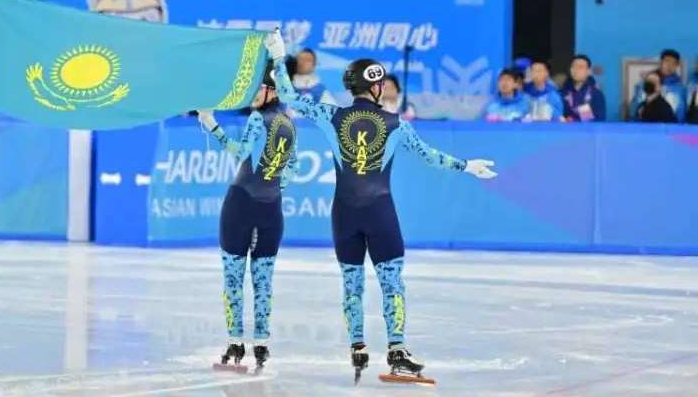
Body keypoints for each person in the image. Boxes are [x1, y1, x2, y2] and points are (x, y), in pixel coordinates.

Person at [267, 32, 497, 384]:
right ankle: (397, 350)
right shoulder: (396, 124)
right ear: (375, 87)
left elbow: (287, 96)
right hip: (380, 213)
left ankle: (357, 345)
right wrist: (467, 166)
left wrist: (279, 58)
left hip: (343, 214)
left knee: (352, 284)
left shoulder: (330, 114)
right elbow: (430, 157)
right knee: (392, 284)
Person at [196, 61, 300, 372]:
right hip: (271, 208)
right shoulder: (289, 123)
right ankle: (262, 343)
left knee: (233, 276)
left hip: (240, 204)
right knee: (263, 279)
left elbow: (242, 153)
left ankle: (235, 342)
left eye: (258, 89)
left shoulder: (258, 118)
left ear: (271, 90)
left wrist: (211, 125)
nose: (253, 94)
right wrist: (270, 186)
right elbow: (291, 169)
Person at [632, 49, 687, 122]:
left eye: (674, 63)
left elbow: (681, 113)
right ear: (660, 62)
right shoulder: (645, 83)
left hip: (672, 128)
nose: (669, 66)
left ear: (676, 66)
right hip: (645, 128)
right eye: (667, 61)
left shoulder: (680, 88)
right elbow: (635, 109)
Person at [560, 55, 605, 122]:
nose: (576, 70)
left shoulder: (596, 94)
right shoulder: (562, 93)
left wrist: (575, 121)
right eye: (573, 67)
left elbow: (600, 120)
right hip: (565, 131)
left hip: (587, 132)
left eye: (580, 67)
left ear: (588, 71)